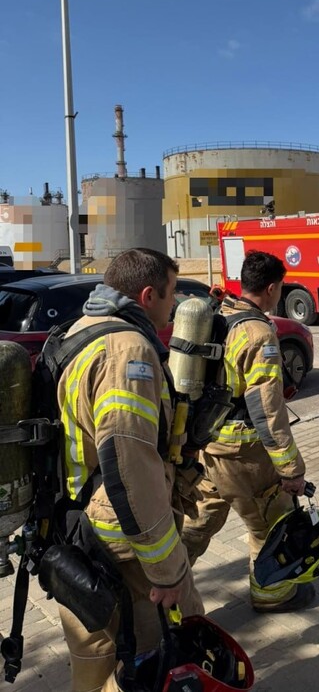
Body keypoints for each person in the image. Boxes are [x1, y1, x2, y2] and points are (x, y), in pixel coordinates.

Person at [57, 248, 204, 692]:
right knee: (162, 649)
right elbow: (130, 465)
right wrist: (167, 570)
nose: (175, 305)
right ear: (147, 295)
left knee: (95, 655)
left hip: (77, 526)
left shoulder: (81, 330)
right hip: (121, 538)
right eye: (172, 293)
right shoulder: (128, 352)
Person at [181, 250, 314, 613]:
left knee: (198, 522)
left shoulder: (221, 317)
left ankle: (159, 593)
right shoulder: (258, 334)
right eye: (281, 288)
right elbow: (268, 411)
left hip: (209, 446)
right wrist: (291, 470)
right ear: (272, 288)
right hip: (244, 455)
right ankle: (273, 594)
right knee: (272, 522)